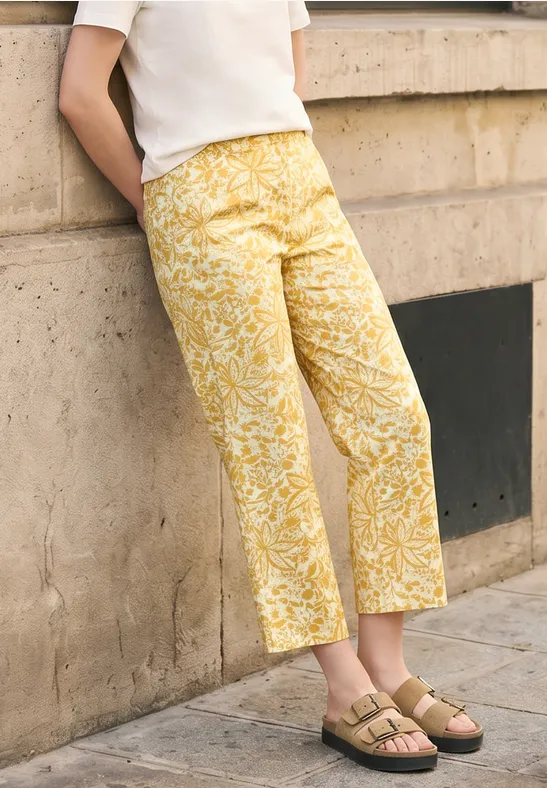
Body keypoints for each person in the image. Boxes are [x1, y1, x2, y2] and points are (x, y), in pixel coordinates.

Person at [60, 0, 483, 773]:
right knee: (271, 447)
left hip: (300, 179)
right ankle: (341, 684)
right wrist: (158, 205)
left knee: (392, 415)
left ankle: (387, 664)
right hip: (200, 197)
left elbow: (287, 74)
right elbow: (81, 93)